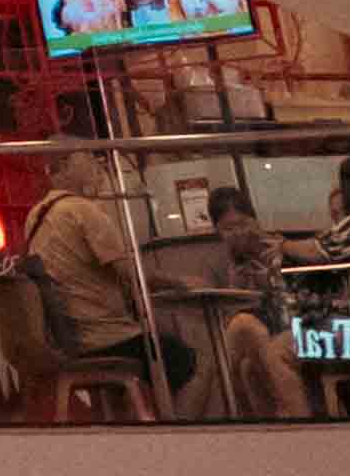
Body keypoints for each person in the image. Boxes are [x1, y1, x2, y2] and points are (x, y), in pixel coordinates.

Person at [165, 185, 312, 419]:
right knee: (244, 351)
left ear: (254, 220)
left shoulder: (277, 246)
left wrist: (269, 276)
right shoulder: (221, 261)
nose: (238, 233)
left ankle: (206, 416)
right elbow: (225, 311)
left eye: (242, 224)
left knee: (242, 331)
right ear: (217, 231)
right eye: (228, 228)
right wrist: (233, 284)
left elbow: (299, 294)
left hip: (293, 324)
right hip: (256, 332)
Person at [16, 170, 161, 401]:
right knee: (185, 359)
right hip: (109, 337)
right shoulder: (82, 209)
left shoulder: (34, 216)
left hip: (71, 341)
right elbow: (131, 273)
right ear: (66, 163)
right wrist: (177, 281)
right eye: (87, 156)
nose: (97, 169)